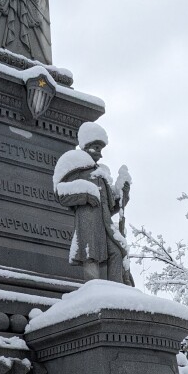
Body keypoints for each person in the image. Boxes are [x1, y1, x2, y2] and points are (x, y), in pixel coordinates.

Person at [53, 122, 133, 285]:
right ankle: (93, 293)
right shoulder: (74, 164)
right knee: (91, 257)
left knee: (117, 253)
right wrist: (86, 193)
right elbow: (60, 193)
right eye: (97, 148)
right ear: (86, 145)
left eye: (101, 150)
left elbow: (109, 206)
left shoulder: (100, 173)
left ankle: (116, 292)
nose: (100, 154)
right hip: (88, 226)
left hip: (105, 226)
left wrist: (122, 193)